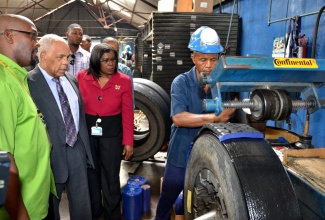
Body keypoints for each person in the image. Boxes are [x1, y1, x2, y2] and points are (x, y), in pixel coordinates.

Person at [155, 26, 236, 220]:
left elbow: (230, 113)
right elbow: (179, 118)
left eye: (213, 59)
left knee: (197, 196)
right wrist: (215, 118)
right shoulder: (180, 83)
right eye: (203, 59)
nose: (208, 65)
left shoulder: (222, 85)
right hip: (182, 149)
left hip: (210, 152)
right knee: (170, 190)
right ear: (193, 58)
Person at [28, 34, 94, 220]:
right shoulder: (28, 84)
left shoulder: (71, 80)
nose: (66, 62)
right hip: (49, 155)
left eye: (67, 57)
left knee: (82, 204)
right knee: (49, 207)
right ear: (43, 56)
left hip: (76, 150)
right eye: (60, 57)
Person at [0, 14, 55, 220]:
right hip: (23, 209)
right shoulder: (2, 83)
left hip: (33, 198)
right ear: (8, 36)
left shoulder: (16, 76)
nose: (38, 42)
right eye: (32, 35)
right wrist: (21, 216)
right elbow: (2, 161)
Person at [77, 43, 134, 219]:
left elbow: (127, 112)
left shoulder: (123, 80)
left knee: (111, 176)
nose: (111, 64)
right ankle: (94, 211)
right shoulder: (81, 77)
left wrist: (128, 141)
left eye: (113, 60)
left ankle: (112, 214)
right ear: (95, 61)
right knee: (91, 175)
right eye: (105, 60)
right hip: (88, 134)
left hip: (112, 135)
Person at [102, 37, 134, 108]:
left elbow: (129, 101)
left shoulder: (125, 71)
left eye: (116, 51)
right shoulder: (93, 71)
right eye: (109, 51)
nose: (113, 55)